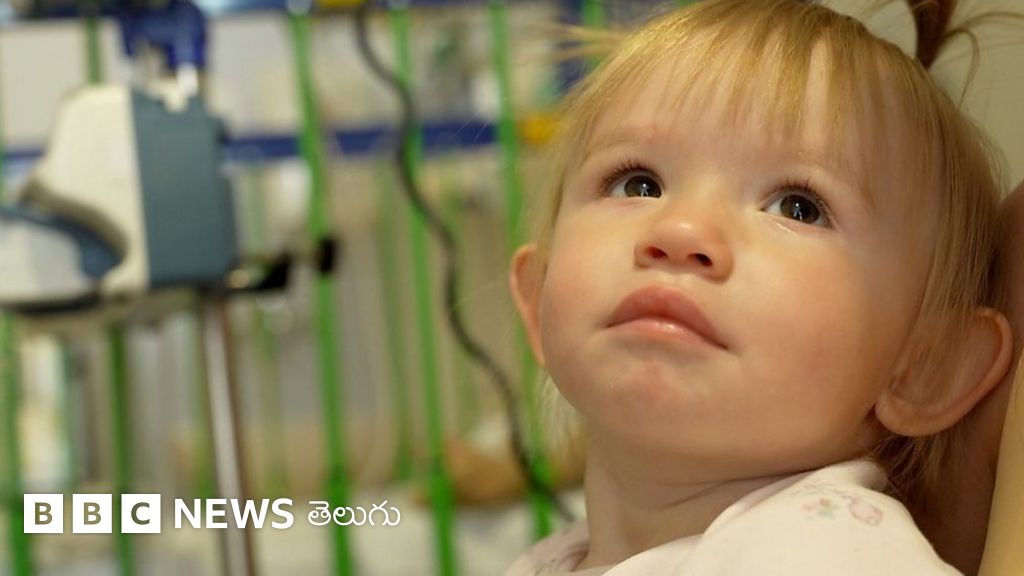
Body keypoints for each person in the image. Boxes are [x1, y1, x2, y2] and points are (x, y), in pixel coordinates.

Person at [502, 0, 1014, 573]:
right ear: (538, 298)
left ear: (927, 366)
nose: (681, 231)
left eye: (798, 206)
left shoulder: (829, 556)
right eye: (638, 184)